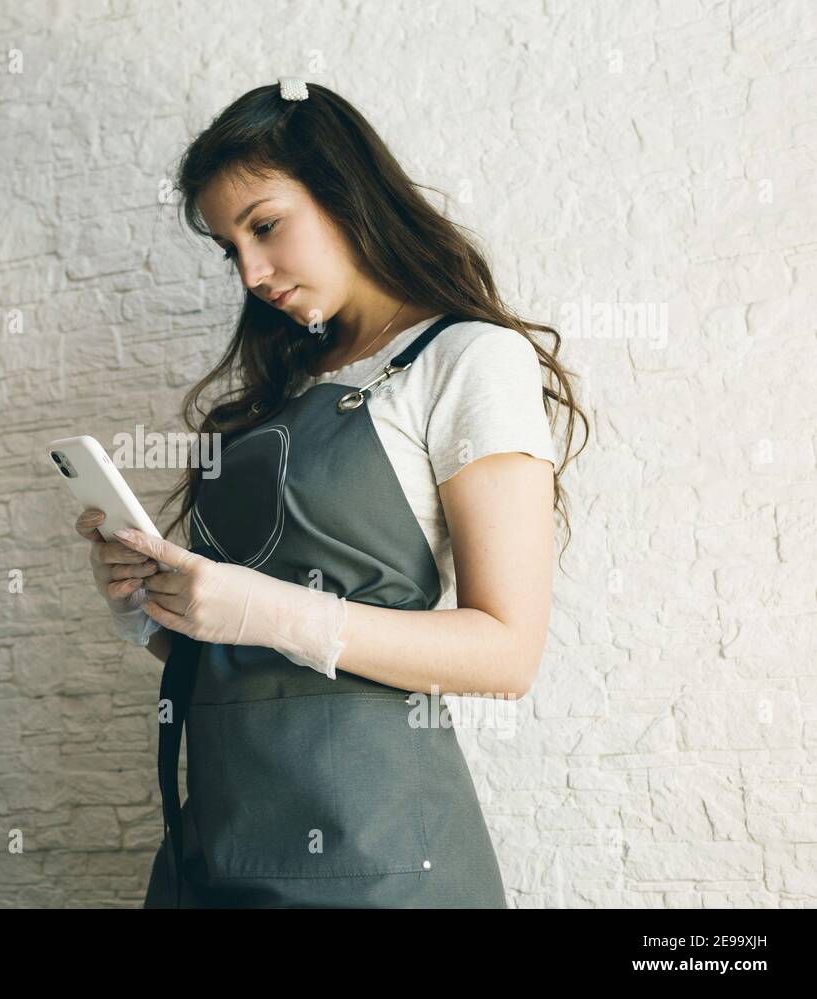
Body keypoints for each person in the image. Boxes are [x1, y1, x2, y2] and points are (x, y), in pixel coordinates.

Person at [77, 79, 589, 908]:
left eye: (265, 225)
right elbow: (251, 661)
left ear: (346, 193)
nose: (250, 271)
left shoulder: (467, 361)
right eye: (228, 246)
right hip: (215, 841)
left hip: (376, 853)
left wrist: (264, 608)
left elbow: (507, 652)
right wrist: (152, 608)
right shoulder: (273, 391)